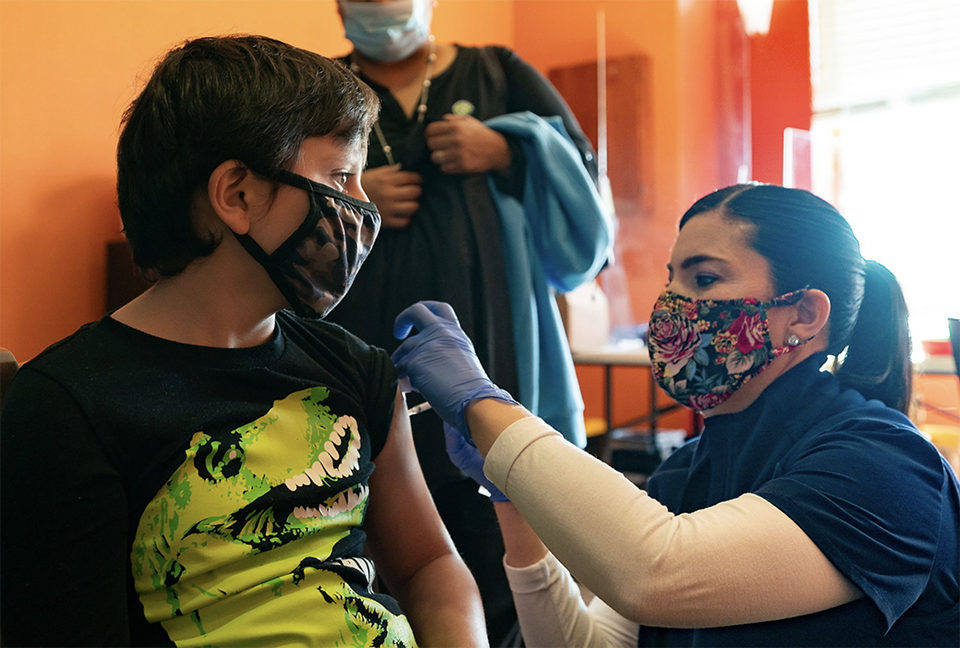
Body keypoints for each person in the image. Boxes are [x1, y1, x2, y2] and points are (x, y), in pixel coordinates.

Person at [0, 35, 488, 648]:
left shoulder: (356, 368)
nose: (363, 207)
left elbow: (429, 567)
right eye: (341, 176)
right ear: (236, 194)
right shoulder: (68, 404)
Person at [390, 184, 960, 647]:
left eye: (704, 279)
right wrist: (512, 499)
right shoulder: (686, 474)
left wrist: (485, 407)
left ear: (805, 314)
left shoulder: (884, 466)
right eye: (672, 280)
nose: (669, 308)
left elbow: (655, 571)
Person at [325, 1, 612, 645]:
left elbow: (587, 194)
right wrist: (353, 188)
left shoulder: (497, 72)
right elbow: (281, 186)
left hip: (500, 353)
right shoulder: (318, 87)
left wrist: (509, 149)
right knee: (378, 562)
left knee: (513, 552)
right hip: (364, 361)